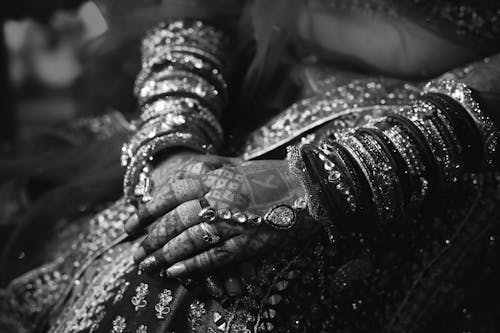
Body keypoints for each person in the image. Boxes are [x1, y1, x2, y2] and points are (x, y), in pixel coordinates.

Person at [1, 0, 500, 332]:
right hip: (255, 76)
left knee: (233, 284)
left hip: (457, 124)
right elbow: (200, 10)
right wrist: (172, 143)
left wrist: (330, 182)